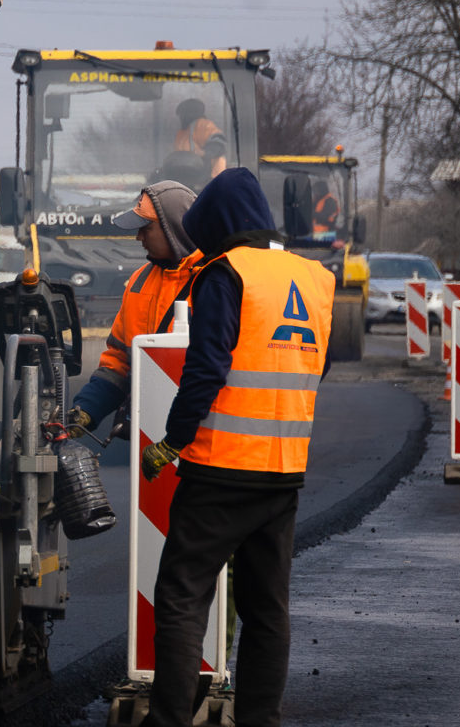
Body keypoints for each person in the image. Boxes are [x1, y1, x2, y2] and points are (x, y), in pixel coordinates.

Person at [137, 167, 334, 727]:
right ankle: (259, 720)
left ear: (220, 225)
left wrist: (170, 442)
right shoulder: (314, 278)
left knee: (181, 596)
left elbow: (206, 367)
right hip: (283, 473)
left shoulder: (226, 274)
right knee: (267, 610)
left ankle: (169, 719)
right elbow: (318, 365)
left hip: (220, 470)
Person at [67, 181, 203, 442]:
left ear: (172, 228)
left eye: (146, 228)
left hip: (202, 441)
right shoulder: (139, 283)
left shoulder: (215, 280)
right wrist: (86, 411)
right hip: (150, 438)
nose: (138, 237)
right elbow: (119, 361)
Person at [169, 99, 228, 179]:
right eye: (180, 114)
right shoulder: (181, 133)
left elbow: (219, 142)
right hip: (188, 179)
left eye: (183, 113)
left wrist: (205, 152)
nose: (181, 117)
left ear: (191, 113)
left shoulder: (203, 125)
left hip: (211, 179)